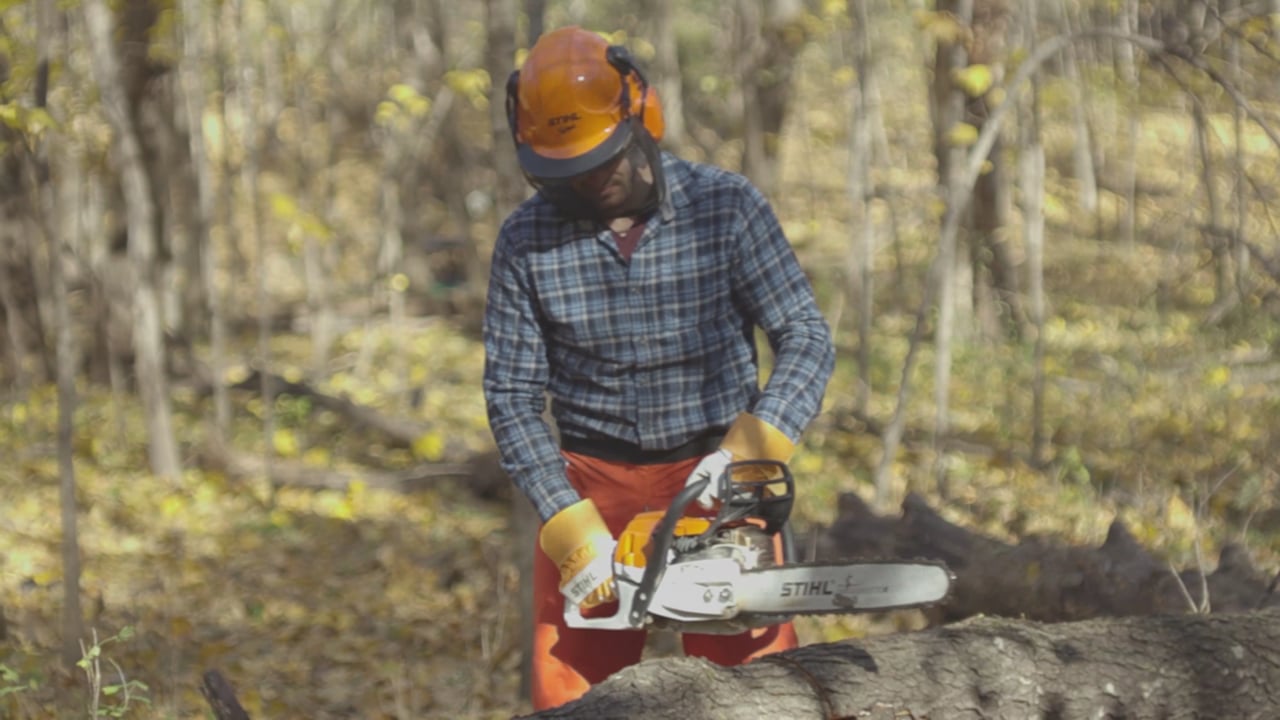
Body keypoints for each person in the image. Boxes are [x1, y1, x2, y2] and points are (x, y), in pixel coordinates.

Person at [482, 25, 835, 710]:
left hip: (714, 471)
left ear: (639, 119)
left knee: (754, 687)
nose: (590, 180)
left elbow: (806, 335)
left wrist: (754, 448)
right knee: (572, 690)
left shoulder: (725, 207)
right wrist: (565, 518)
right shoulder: (525, 239)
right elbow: (511, 396)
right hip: (590, 482)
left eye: (603, 160)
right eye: (569, 170)